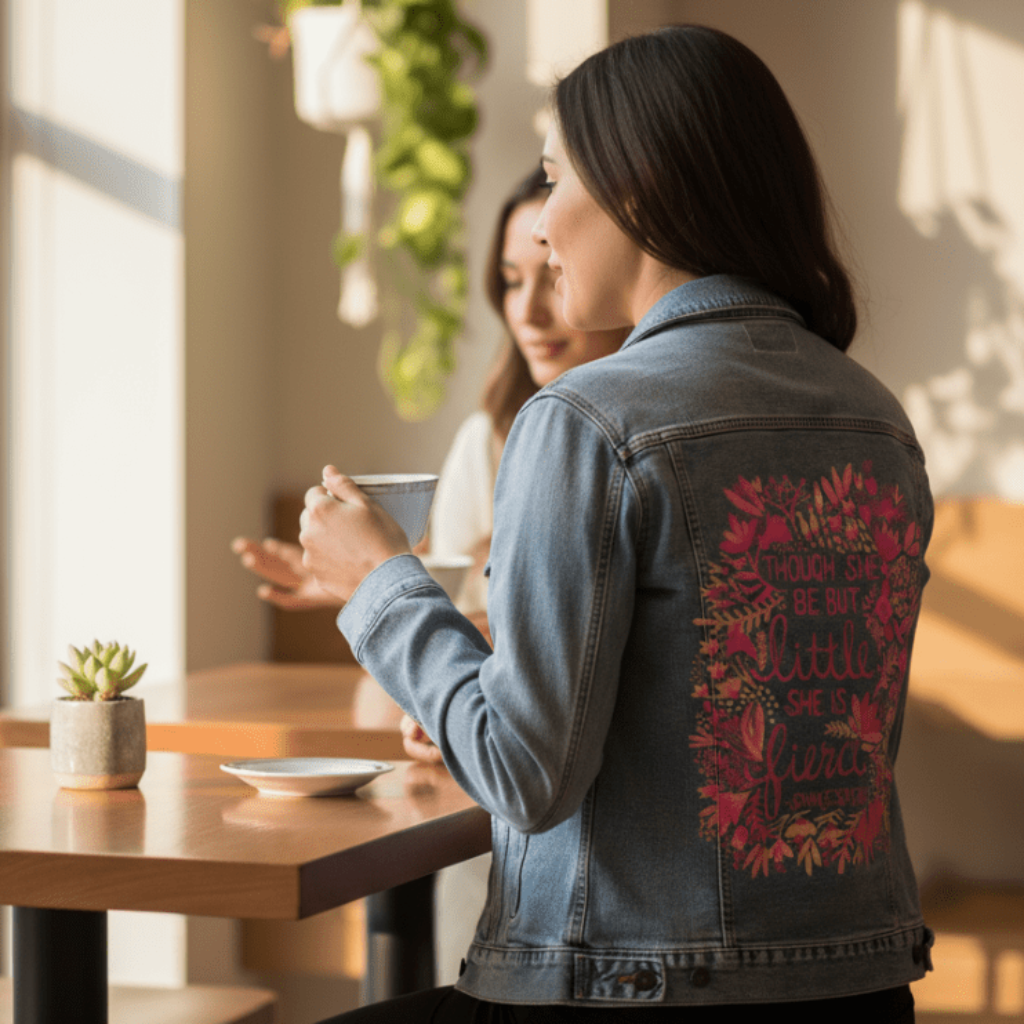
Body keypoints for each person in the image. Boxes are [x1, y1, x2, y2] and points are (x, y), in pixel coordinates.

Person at [299, 25, 933, 1023]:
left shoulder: (587, 421)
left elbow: (523, 773)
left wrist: (379, 579)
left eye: (553, 178)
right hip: (858, 984)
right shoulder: (875, 419)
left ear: (635, 189)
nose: (543, 224)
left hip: (627, 990)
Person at [231, 165, 626, 657]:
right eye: (510, 282)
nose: (528, 313)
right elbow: (461, 610)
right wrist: (362, 576)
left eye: (553, 277)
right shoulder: (486, 440)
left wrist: (376, 580)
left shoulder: (636, 445)